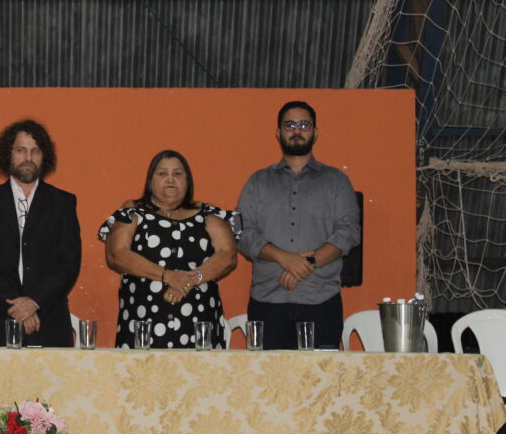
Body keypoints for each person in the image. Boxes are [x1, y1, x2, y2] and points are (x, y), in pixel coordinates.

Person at [236, 101, 361, 349]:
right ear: (278, 132)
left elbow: (348, 232)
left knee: (321, 374)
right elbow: (241, 232)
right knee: (269, 374)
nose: (297, 131)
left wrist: (305, 264)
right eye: (289, 125)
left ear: (315, 132)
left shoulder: (336, 181)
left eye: (304, 125)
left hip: (321, 301)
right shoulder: (258, 182)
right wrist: (284, 258)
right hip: (267, 302)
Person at [100, 150, 238, 349]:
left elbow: (228, 255)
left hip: (199, 322)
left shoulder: (208, 213)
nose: (171, 179)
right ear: (151, 180)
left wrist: (188, 281)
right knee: (142, 370)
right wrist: (167, 276)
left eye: (178, 173)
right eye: (163, 173)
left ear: (187, 180)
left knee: (200, 370)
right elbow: (116, 254)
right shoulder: (133, 210)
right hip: (144, 321)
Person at [0, 119, 81, 347]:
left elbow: (69, 263)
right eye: (20, 150)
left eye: (35, 151)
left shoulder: (63, 202)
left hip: (50, 319)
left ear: (44, 156)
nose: (28, 158)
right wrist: (18, 306)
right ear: (8, 154)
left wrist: (34, 302)